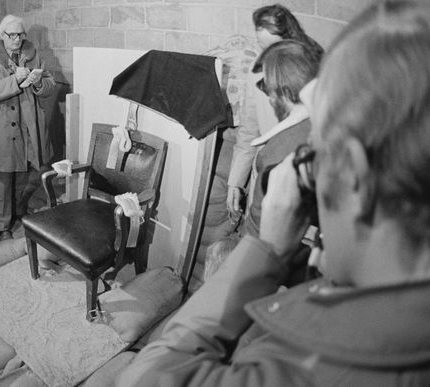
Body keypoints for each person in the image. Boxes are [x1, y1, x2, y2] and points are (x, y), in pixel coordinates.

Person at [117, 1, 430, 385]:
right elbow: (251, 133)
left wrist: (264, 251)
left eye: (314, 150)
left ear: (354, 172)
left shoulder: (297, 363)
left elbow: (143, 378)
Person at [226, 4, 323, 220]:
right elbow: (248, 132)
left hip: (303, 180)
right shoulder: (257, 72)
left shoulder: (316, 69)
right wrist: (235, 182)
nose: (267, 57)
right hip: (265, 174)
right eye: (262, 47)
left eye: (274, 48)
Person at [0, 14, 55, 241]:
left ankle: (19, 209)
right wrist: (15, 80)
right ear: (1, 36)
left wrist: (39, 82)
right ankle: (1, 225)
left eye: (21, 34)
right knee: (2, 178)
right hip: (1, 126)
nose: (18, 39)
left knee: (27, 172)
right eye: (12, 35)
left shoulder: (33, 53)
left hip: (28, 123)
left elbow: (49, 84)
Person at [238, 39, 321, 238]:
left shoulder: (275, 154)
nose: (268, 97)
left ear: (283, 92)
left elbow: (258, 230)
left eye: (267, 87)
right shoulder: (327, 123)